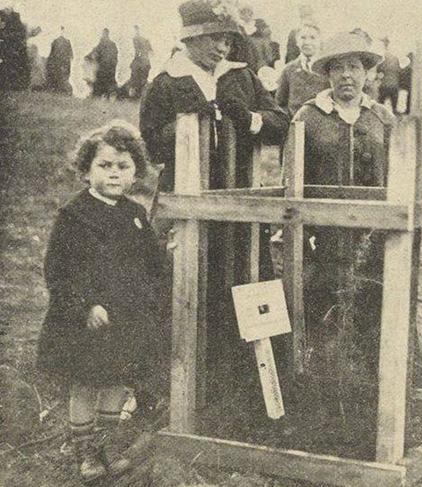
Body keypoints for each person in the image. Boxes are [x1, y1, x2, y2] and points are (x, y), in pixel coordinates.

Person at [140, 0, 289, 389]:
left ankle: (250, 381)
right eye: (212, 40)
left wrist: (250, 120)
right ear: (190, 38)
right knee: (184, 280)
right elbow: (151, 146)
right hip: (187, 196)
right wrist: (188, 125)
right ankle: (175, 379)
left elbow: (280, 122)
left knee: (247, 274)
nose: (221, 49)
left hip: (239, 197)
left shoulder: (242, 77)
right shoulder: (167, 81)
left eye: (226, 40)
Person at [36, 121, 163, 483]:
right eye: (104, 165)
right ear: (86, 170)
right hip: (87, 320)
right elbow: (57, 272)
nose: (113, 174)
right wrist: (84, 307)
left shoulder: (136, 215)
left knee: (116, 381)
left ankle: (106, 445)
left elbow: (151, 266)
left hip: (125, 318)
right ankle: (85, 452)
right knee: (86, 383)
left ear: (135, 172)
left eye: (123, 167)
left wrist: (147, 299)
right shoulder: (74, 216)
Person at [293, 31, 394, 396]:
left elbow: (398, 175)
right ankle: (324, 390)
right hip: (325, 236)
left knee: (374, 305)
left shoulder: (382, 118)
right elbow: (293, 179)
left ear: (368, 73)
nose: (346, 76)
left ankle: (375, 387)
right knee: (325, 308)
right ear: (328, 74)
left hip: (376, 234)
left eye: (354, 67)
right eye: (338, 68)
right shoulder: (307, 116)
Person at [275, 22, 328, 117]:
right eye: (303, 38)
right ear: (297, 42)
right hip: (296, 125)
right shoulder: (288, 70)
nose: (307, 42)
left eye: (312, 38)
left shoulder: (327, 68)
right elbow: (280, 103)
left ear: (320, 41)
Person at [0, 5, 30, 91]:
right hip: (5, 45)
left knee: (11, 64)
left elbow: (18, 34)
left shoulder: (15, 18)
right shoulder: (3, 15)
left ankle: (12, 84)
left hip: (10, 46)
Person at [87, 28, 118, 98]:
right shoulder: (113, 44)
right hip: (111, 71)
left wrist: (88, 57)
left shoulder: (102, 43)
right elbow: (115, 58)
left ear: (104, 34)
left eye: (103, 34)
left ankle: (96, 94)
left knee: (98, 83)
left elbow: (95, 51)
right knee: (109, 84)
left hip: (103, 70)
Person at [46, 26, 74, 95]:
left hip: (58, 63)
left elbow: (51, 55)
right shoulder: (67, 42)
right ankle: (63, 91)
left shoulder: (56, 41)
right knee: (64, 77)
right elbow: (71, 56)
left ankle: (59, 90)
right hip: (64, 63)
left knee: (58, 76)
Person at [376, 37, 401, 112]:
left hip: (385, 85)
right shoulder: (395, 58)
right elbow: (399, 71)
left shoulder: (383, 57)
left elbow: (379, 70)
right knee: (394, 108)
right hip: (394, 85)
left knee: (380, 107)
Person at [128, 25, 153, 98]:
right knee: (142, 79)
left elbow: (138, 52)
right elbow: (151, 52)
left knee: (136, 78)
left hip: (140, 63)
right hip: (145, 63)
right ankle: (141, 94)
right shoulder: (145, 40)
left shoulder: (136, 39)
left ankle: (136, 94)